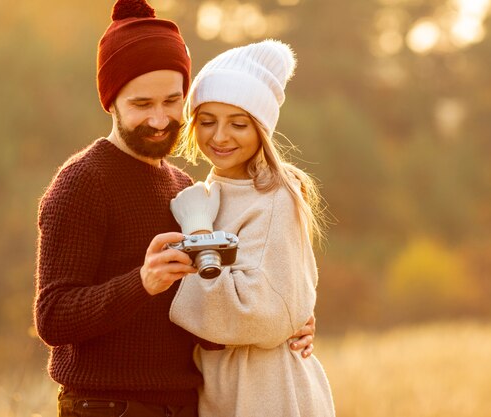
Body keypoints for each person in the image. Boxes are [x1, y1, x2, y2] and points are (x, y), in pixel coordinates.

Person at [33, 1, 314, 416]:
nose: (161, 118)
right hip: (107, 407)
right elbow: (53, 318)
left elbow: (205, 307)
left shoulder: (186, 190)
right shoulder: (83, 181)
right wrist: (141, 282)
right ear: (111, 101)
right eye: (142, 104)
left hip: (187, 405)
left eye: (172, 101)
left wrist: (287, 322)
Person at [168, 40, 336, 417]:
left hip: (267, 391)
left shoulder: (275, 196)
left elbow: (261, 316)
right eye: (207, 121)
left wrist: (196, 236)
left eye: (238, 124)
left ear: (261, 128)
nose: (220, 137)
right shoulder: (205, 193)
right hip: (220, 389)